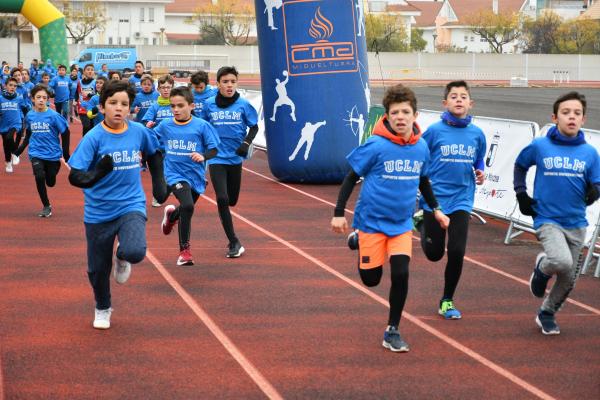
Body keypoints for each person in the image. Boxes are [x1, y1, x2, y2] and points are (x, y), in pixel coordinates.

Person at [331, 85, 449, 353]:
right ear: (387, 115)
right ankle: (359, 240)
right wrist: (338, 213)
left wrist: (437, 209)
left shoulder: (421, 148)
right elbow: (351, 177)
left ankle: (392, 329)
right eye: (394, 112)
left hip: (401, 225)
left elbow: (424, 180)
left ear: (415, 115)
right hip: (371, 222)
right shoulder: (376, 145)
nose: (400, 117)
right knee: (371, 279)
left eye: (405, 112)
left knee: (401, 273)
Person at [67, 80, 167, 330]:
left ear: (131, 108)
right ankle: (102, 307)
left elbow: (154, 153)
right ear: (102, 107)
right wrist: (97, 173)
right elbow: (75, 175)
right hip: (98, 212)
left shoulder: (139, 131)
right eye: (113, 103)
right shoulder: (93, 137)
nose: (119, 108)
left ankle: (122, 257)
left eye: (124, 104)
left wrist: (159, 184)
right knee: (97, 270)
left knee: (134, 251)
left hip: (130, 205)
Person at [514, 91, 600, 335]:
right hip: (547, 218)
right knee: (561, 261)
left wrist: (595, 191)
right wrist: (521, 194)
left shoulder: (590, 153)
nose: (571, 117)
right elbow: (521, 165)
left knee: (569, 278)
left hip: (576, 222)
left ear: (583, 120)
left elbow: (597, 183)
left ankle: (547, 312)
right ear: (554, 117)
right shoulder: (541, 146)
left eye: (577, 113)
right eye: (565, 113)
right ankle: (542, 266)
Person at [415, 80, 486, 320]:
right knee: (434, 254)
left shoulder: (477, 134)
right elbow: (420, 156)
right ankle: (422, 224)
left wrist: (480, 171)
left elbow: (479, 160)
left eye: (463, 96)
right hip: (435, 200)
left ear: (470, 103)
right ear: (445, 103)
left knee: (456, 250)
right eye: (453, 96)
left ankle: (447, 300)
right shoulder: (434, 131)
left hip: (462, 199)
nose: (458, 100)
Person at [156, 86, 220, 265]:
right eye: (172, 106)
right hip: (174, 174)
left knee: (185, 207)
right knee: (188, 206)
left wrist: (203, 156)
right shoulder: (166, 125)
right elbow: (152, 139)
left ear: (191, 106)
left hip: (195, 176)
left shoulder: (202, 126)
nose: (175, 110)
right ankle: (184, 251)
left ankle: (171, 217)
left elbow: (214, 149)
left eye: (180, 106)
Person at [200, 66, 259, 258]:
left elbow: (254, 127)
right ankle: (234, 242)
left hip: (235, 158)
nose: (229, 85)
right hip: (216, 157)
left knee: (232, 200)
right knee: (222, 199)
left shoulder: (243, 105)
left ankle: (176, 215)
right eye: (225, 82)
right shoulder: (209, 105)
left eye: (233, 81)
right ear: (217, 84)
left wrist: (246, 142)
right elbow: (202, 127)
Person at [13, 84, 70, 217]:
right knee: (39, 176)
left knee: (50, 182)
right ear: (32, 99)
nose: (41, 100)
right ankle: (46, 205)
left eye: (44, 98)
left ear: (47, 100)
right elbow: (28, 135)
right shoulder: (30, 116)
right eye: (38, 97)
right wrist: (19, 151)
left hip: (53, 154)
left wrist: (66, 154)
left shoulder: (54, 116)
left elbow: (66, 133)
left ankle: (51, 178)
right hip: (36, 153)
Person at [0, 77, 27, 172]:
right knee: (6, 145)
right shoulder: (1, 98)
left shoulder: (19, 98)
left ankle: (15, 153)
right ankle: (8, 163)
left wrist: (25, 119)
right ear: (5, 86)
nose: (13, 87)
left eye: (15, 86)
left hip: (16, 123)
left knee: (9, 137)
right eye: (10, 85)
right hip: (3, 124)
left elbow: (24, 108)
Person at [76, 64, 96, 136]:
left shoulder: (96, 82)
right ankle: (85, 143)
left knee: (92, 128)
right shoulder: (79, 82)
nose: (90, 71)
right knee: (86, 126)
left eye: (92, 70)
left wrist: (90, 95)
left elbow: (98, 94)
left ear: (94, 72)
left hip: (93, 108)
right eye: (88, 69)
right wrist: (75, 101)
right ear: (84, 72)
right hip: (83, 108)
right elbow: (76, 93)